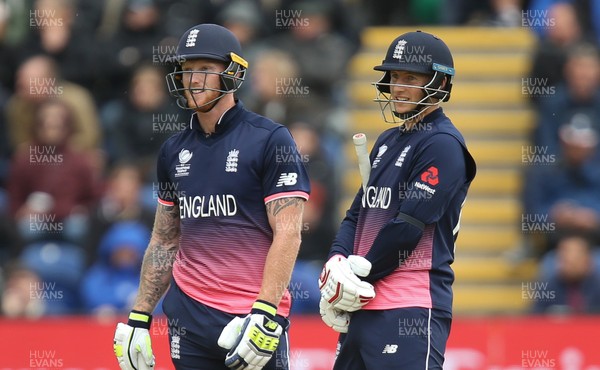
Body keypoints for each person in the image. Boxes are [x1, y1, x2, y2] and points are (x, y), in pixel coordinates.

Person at [112, 24, 310, 370]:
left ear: (231, 74)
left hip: (251, 319)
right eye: (187, 70)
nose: (193, 79)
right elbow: (164, 239)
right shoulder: (173, 150)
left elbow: (289, 232)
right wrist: (139, 316)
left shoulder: (270, 139)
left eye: (205, 69)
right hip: (188, 317)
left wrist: (264, 312)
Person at [318, 31, 476, 369]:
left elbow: (408, 228)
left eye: (410, 78)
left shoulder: (442, 144)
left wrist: (355, 281)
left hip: (409, 307)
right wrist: (335, 262)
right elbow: (357, 215)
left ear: (439, 82)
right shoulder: (388, 140)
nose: (398, 86)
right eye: (393, 77)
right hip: (364, 304)